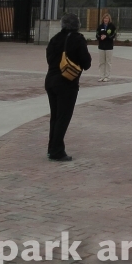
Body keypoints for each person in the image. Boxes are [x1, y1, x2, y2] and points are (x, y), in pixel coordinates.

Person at [44, 12, 91, 162]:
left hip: (50, 80)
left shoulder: (55, 39)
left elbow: (49, 58)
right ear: (77, 25)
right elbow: (87, 63)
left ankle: (52, 148)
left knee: (55, 116)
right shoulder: (78, 39)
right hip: (67, 84)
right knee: (63, 117)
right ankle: (57, 150)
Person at [96, 13, 116, 82]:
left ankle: (107, 76)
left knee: (108, 62)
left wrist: (106, 37)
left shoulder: (112, 26)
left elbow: (113, 35)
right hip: (101, 46)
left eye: (107, 18)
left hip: (109, 47)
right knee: (101, 62)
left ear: (109, 19)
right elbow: (97, 34)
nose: (106, 20)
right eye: (105, 18)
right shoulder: (100, 26)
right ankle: (101, 76)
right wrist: (100, 37)